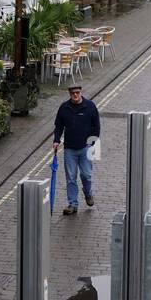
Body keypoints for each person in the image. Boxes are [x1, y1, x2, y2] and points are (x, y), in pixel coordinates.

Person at [53, 82, 100, 215]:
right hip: (69, 149)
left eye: (77, 93)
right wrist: (56, 141)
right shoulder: (64, 108)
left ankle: (88, 193)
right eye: (73, 93)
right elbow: (58, 126)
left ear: (81, 92)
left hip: (86, 147)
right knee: (71, 178)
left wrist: (93, 144)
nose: (75, 95)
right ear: (70, 94)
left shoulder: (90, 106)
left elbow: (96, 126)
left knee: (87, 175)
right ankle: (72, 204)